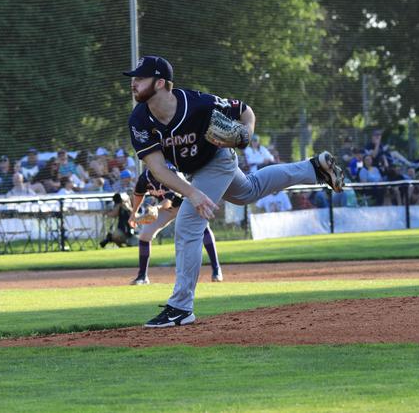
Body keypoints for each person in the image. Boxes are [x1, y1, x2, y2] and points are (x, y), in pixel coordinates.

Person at [124, 55, 344, 327]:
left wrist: (246, 133)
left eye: (140, 78)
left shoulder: (199, 104)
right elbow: (157, 168)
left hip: (218, 160)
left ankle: (180, 307)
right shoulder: (139, 119)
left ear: (159, 83)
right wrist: (192, 192)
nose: (133, 83)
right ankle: (313, 168)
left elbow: (245, 111)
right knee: (249, 191)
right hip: (194, 171)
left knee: (188, 223)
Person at [127, 166, 223, 285]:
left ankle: (216, 269)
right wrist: (134, 213)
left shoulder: (170, 172)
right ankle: (142, 277)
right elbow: (138, 194)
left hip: (187, 203)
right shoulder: (145, 177)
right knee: (145, 235)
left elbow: (169, 200)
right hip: (166, 209)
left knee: (203, 229)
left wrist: (157, 207)